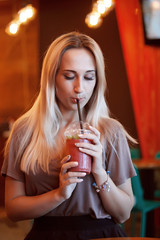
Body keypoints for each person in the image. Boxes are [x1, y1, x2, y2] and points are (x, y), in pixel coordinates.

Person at [1, 31, 137, 240]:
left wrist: (100, 172)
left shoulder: (111, 131)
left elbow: (123, 213)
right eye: (69, 76)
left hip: (103, 235)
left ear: (97, 80)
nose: (79, 88)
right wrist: (59, 194)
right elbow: (13, 210)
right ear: (51, 77)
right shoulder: (25, 130)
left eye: (89, 77)